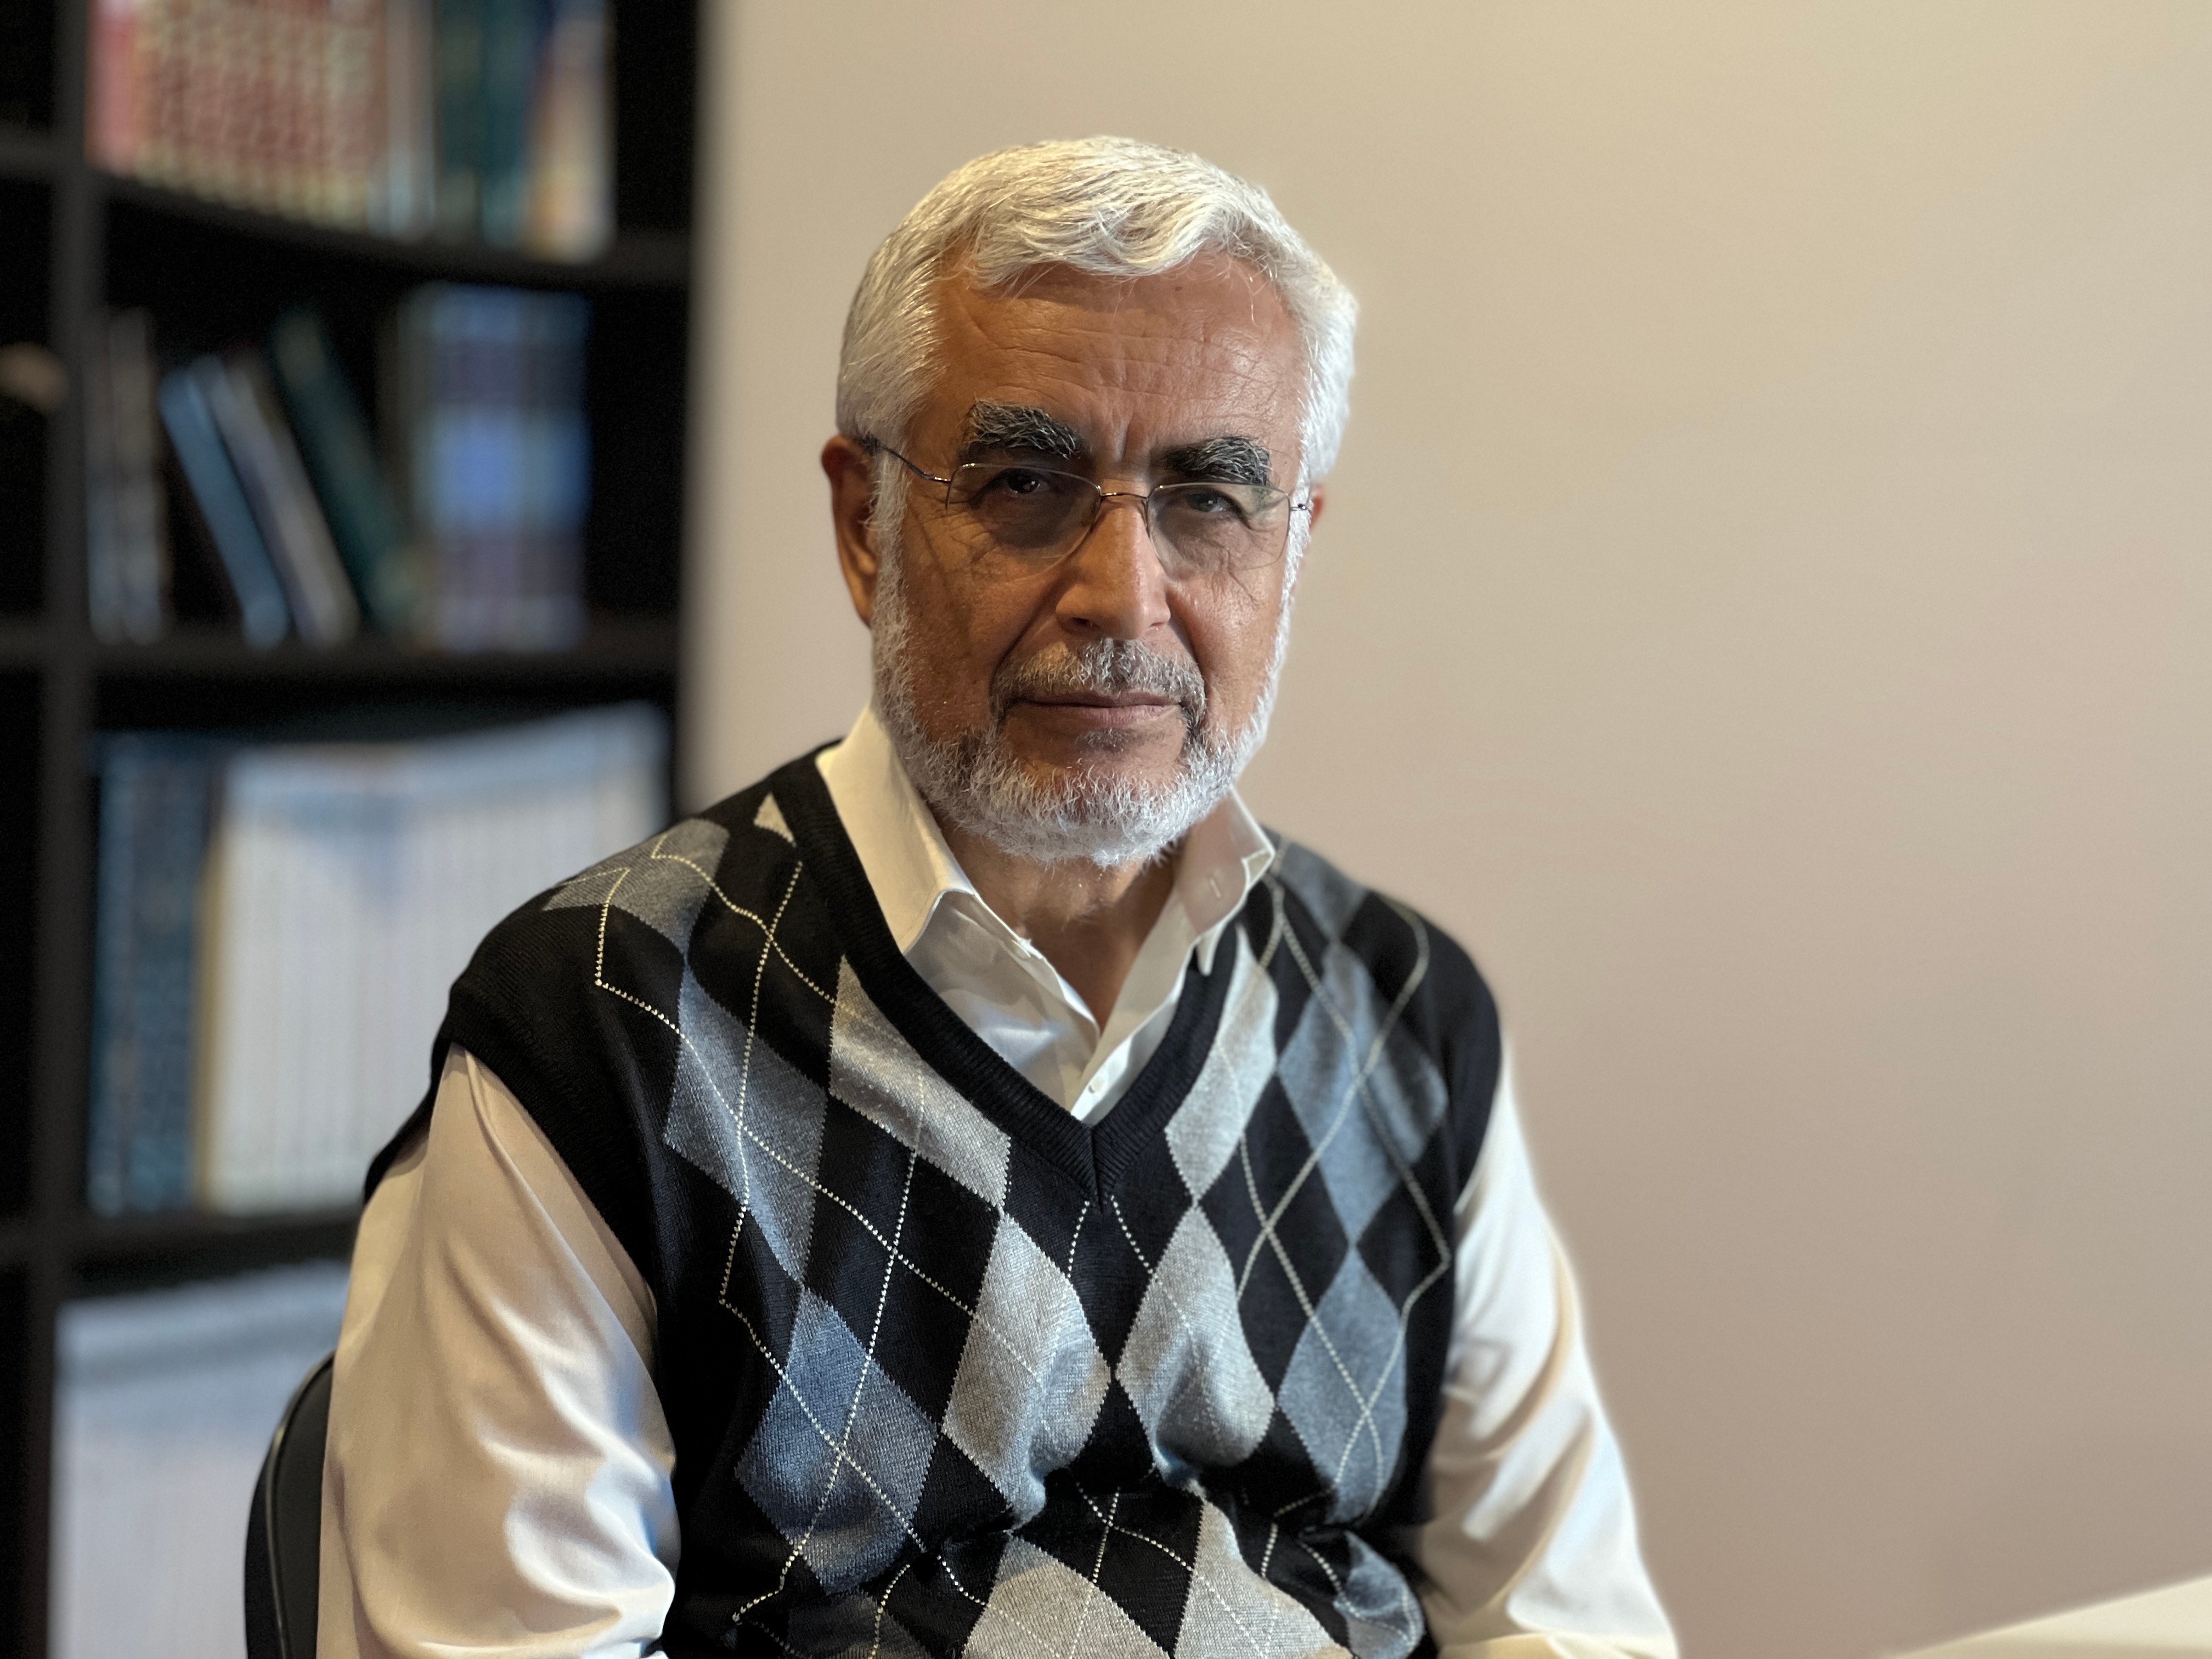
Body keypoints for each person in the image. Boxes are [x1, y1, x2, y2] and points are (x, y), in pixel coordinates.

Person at [320, 138, 1676, 1659]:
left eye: (1207, 498)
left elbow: (1559, 1623)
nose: (1122, 593)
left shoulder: (1403, 1022)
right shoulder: (609, 1032)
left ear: (1293, 548)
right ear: (864, 527)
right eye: (1026, 486)